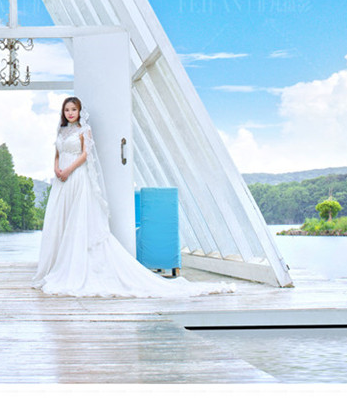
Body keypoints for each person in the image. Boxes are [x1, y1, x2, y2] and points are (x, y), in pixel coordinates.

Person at [32, 96, 233, 298]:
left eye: (73, 109)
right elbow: (57, 153)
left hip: (76, 177)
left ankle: (76, 266)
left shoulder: (84, 130)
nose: (70, 113)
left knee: (77, 220)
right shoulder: (61, 131)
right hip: (61, 181)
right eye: (67, 110)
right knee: (61, 219)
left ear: (79, 112)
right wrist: (57, 169)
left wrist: (68, 170)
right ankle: (59, 264)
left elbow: (85, 155)